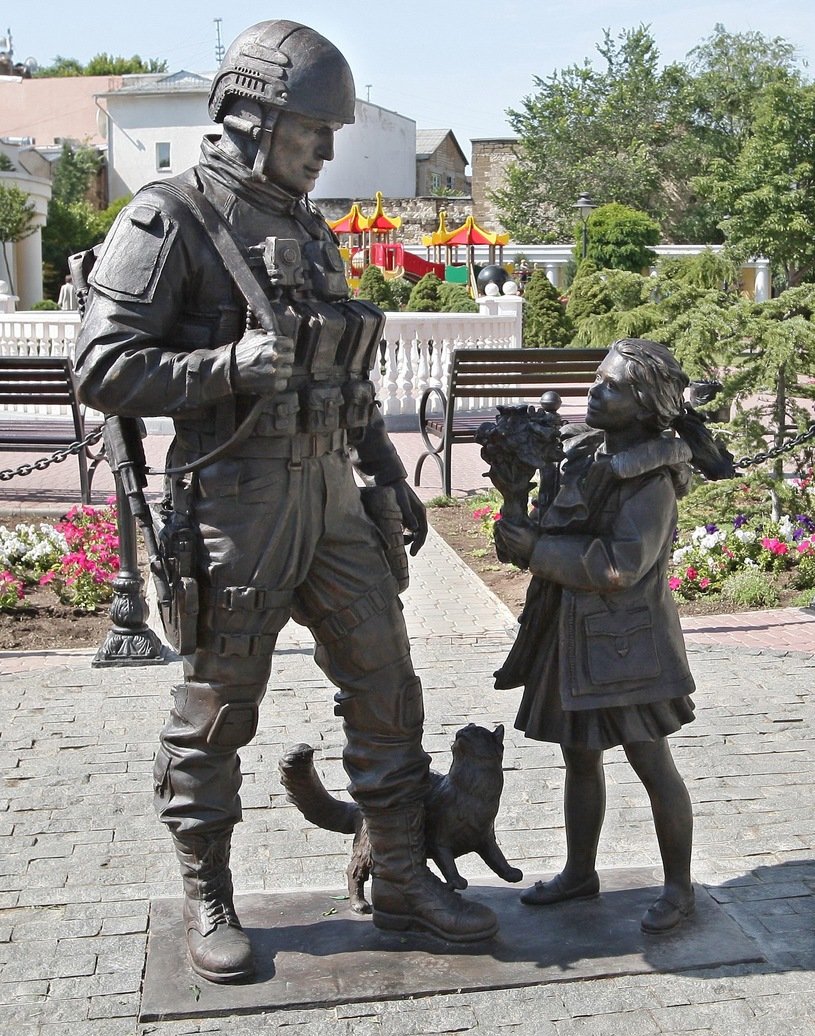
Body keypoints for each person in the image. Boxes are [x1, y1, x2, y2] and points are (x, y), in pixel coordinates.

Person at [75, 19, 497, 984]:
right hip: (236, 504)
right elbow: (101, 367)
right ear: (251, 116)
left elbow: (341, 375)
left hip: (333, 498)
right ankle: (208, 896)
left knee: (387, 690)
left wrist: (385, 474)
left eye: (330, 133)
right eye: (313, 130)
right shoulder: (167, 219)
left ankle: (400, 878)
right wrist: (225, 366)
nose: (325, 151)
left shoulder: (308, 227)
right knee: (217, 711)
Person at [495, 338, 733, 934]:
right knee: (579, 755)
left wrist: (539, 550)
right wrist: (517, 515)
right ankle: (580, 871)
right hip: (571, 635)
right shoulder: (584, 452)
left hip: (627, 643)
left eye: (613, 387)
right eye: (597, 379)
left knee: (651, 760)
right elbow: (552, 528)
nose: (595, 392)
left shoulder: (651, 478)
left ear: (646, 404)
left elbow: (620, 565)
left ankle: (679, 887)